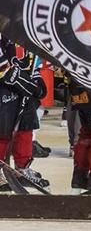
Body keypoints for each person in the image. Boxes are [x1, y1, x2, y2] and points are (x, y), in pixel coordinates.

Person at [0, 46, 49, 192]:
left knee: (26, 126)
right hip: (4, 86)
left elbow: (33, 61)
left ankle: (23, 168)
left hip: (23, 88)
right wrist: (9, 73)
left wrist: (35, 79)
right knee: (3, 128)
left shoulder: (25, 34)